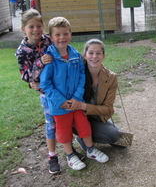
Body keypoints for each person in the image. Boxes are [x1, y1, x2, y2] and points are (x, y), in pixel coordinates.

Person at [15, 9, 85, 174]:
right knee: (51, 124)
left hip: (64, 88)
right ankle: (52, 156)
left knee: (67, 120)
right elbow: (25, 75)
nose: (36, 30)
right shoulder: (22, 51)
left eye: (38, 25)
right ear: (23, 29)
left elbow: (64, 50)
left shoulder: (49, 40)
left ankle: (70, 150)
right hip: (47, 94)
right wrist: (39, 63)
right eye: (31, 26)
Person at [40, 17, 109, 171]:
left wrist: (76, 98)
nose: (62, 38)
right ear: (51, 37)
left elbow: (81, 79)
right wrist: (61, 101)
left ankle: (90, 149)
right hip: (59, 106)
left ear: (70, 34)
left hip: (75, 103)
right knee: (63, 130)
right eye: (57, 35)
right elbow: (45, 84)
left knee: (83, 125)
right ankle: (70, 155)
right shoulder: (49, 58)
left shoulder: (76, 56)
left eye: (65, 34)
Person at [74, 39, 120, 150]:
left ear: (103, 56)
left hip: (96, 117)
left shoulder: (111, 77)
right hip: (78, 118)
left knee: (118, 138)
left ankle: (86, 136)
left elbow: (108, 109)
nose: (94, 56)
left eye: (98, 53)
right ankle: (82, 137)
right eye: (91, 53)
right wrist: (34, 83)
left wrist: (84, 106)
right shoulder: (76, 74)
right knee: (112, 135)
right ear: (85, 55)